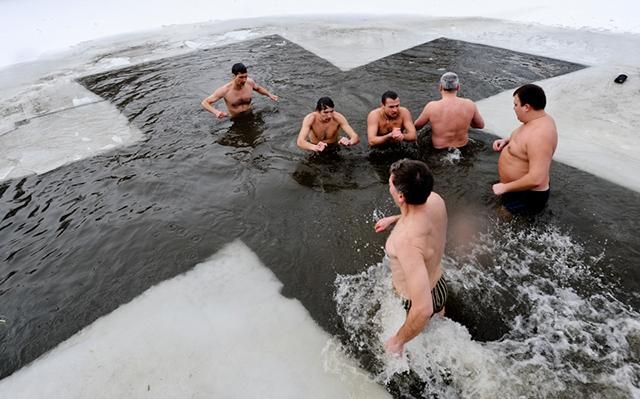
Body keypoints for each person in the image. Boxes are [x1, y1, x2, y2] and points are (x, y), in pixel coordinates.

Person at [374, 159, 448, 356]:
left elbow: (422, 309)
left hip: (413, 302)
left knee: (416, 346)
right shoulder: (435, 200)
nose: (389, 185)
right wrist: (394, 218)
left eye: (390, 183)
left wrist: (398, 341)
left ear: (400, 196)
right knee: (439, 331)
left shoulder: (405, 240)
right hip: (439, 287)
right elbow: (418, 214)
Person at [492, 84, 558, 215]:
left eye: (516, 105)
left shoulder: (540, 135)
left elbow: (536, 178)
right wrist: (507, 141)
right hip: (517, 189)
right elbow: (525, 140)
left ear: (527, 107)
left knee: (502, 224)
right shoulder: (538, 119)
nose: (514, 108)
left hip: (527, 195)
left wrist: (504, 187)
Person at [414, 72, 485, 149]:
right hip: (463, 146)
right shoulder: (470, 104)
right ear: (458, 87)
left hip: (440, 149)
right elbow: (480, 125)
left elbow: (417, 126)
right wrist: (467, 122)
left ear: (440, 87)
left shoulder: (432, 106)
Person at [201, 62, 278, 119]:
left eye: (246, 76)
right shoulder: (225, 90)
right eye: (241, 77)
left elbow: (258, 88)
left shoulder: (249, 82)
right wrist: (216, 112)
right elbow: (205, 103)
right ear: (234, 76)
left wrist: (269, 94)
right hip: (235, 119)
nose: (244, 80)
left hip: (250, 114)